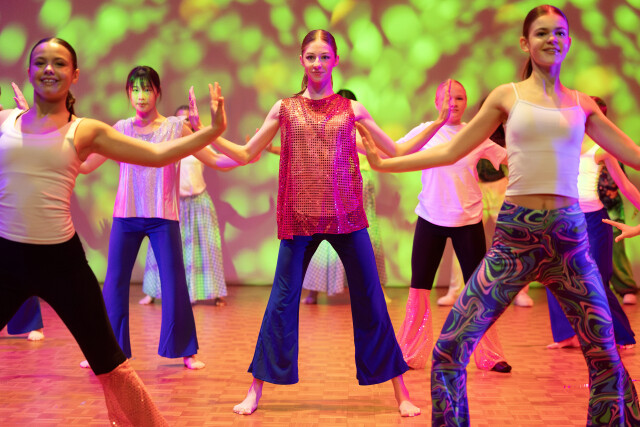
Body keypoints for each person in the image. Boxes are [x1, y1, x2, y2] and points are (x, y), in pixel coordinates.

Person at [359, 5, 640, 425]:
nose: (551, 39)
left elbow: (634, 154)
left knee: (605, 355)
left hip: (568, 237)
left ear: (569, 42)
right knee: (450, 349)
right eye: (541, 33)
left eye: (559, 32)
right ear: (525, 43)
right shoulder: (507, 96)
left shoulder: (582, 106)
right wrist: (385, 164)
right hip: (515, 237)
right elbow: (451, 151)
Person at [191, 29, 452, 417]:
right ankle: (255, 390)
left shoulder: (352, 109)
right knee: (281, 303)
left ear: (335, 61)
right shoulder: (284, 108)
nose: (317, 63)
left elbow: (395, 150)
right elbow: (246, 154)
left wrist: (438, 123)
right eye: (311, 57)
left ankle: (401, 392)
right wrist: (205, 132)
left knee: (371, 301)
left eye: (324, 57)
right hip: (299, 219)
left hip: (347, 217)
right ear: (301, 60)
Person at [0, 37, 226, 425]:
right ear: (29, 70)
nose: (49, 69)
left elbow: (156, 155)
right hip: (6, 259)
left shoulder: (86, 130)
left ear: (74, 74)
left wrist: (214, 129)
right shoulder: (5, 121)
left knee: (108, 360)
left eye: (59, 63)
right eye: (40, 62)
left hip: (62, 263)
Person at [78, 66, 239, 371]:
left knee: (175, 283)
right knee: (114, 283)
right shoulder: (120, 129)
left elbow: (216, 159)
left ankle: (186, 351)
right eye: (135, 89)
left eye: (147, 89)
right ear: (128, 93)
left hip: (163, 217)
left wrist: (248, 154)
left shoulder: (176, 127)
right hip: (126, 216)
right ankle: (103, 350)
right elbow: (86, 166)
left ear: (158, 92)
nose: (141, 96)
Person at [393, 80, 511, 373]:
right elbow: (395, 151)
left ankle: (489, 355)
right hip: (429, 218)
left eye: (459, 98)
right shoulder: (425, 131)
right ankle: (410, 352)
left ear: (466, 102)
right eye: (447, 98)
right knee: (419, 287)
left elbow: (508, 158)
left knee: (479, 290)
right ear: (436, 103)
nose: (453, 103)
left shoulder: (475, 133)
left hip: (468, 220)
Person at [267, 88, 389, 305]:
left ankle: (377, 292)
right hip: (329, 193)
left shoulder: (356, 131)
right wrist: (271, 148)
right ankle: (314, 291)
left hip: (354, 192)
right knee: (320, 246)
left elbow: (383, 151)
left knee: (366, 246)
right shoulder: (326, 129)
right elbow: (300, 150)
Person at [546, 96, 637, 350]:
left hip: (594, 220)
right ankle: (566, 335)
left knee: (596, 281)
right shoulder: (559, 145)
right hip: (563, 219)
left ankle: (622, 336)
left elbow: (625, 185)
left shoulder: (600, 149)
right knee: (555, 275)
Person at [140, 105, 228, 307]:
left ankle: (214, 293)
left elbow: (218, 159)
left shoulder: (200, 146)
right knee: (163, 248)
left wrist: (243, 157)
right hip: (174, 204)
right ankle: (152, 292)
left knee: (205, 248)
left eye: (187, 119)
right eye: (179, 119)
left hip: (199, 202)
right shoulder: (168, 145)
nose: (183, 122)